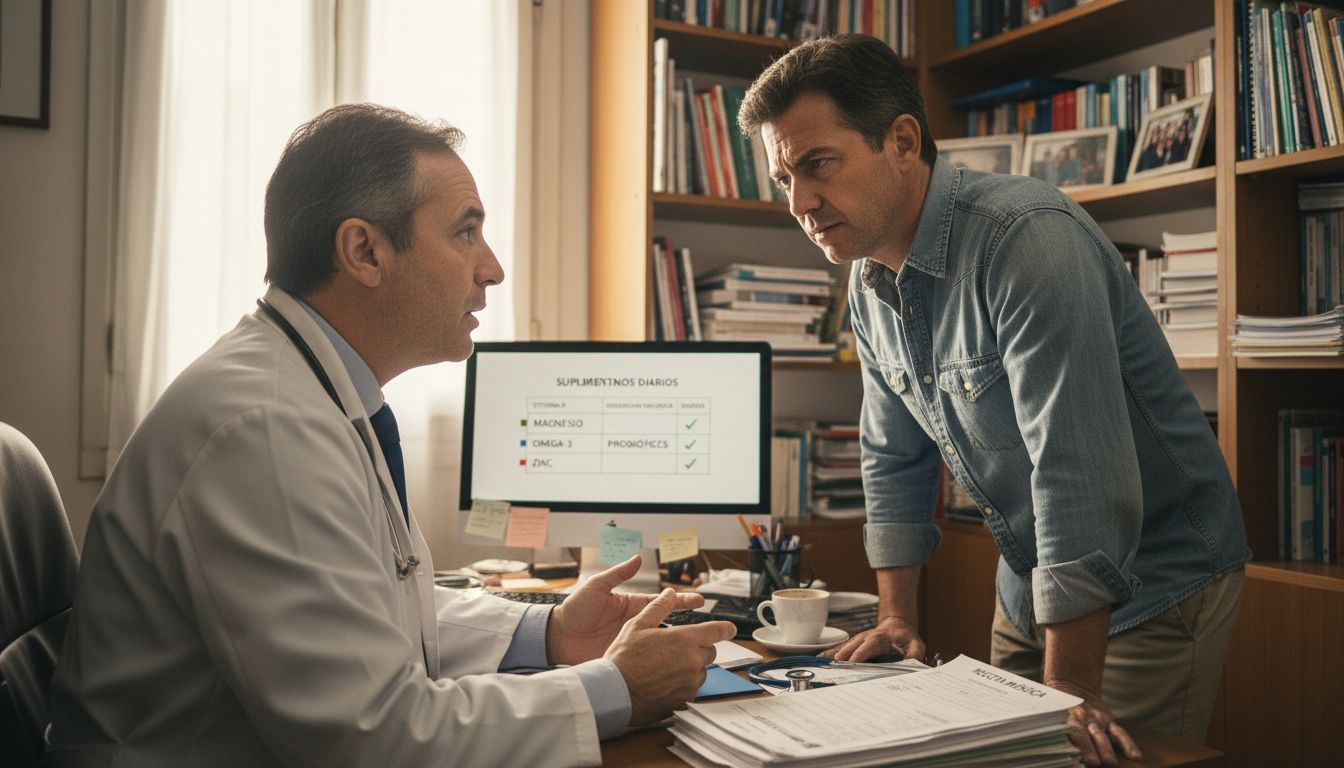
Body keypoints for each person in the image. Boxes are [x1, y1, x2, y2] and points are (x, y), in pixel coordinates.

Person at [46, 104, 735, 767]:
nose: (492, 268)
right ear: (364, 252)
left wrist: (550, 632)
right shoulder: (265, 429)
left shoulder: (309, 392)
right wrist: (615, 689)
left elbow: (363, 609)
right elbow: (376, 739)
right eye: (466, 232)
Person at [737, 35, 1248, 768]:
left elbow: (1079, 473)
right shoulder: (867, 273)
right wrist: (897, 617)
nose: (799, 203)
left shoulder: (1026, 240)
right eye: (783, 178)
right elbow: (891, 455)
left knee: (1077, 753)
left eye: (817, 164)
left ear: (902, 141)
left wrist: (1070, 689)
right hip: (1028, 572)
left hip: (1155, 575)